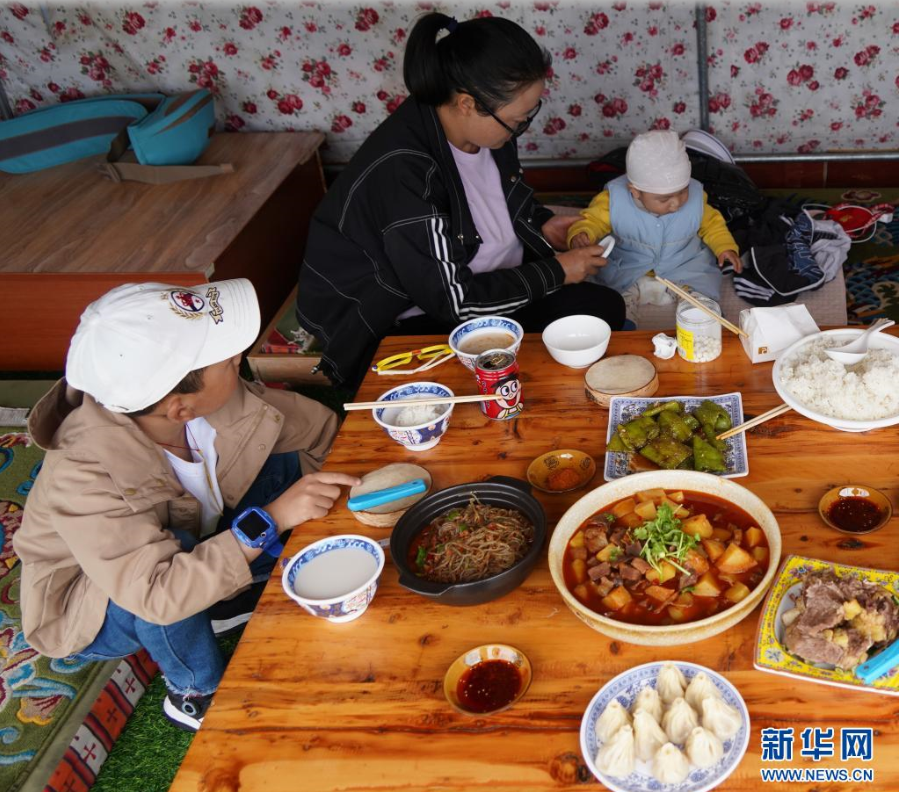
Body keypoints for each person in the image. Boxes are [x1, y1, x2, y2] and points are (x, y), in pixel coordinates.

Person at [13, 279, 358, 732]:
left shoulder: (202, 401)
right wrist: (275, 518)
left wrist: (345, 504)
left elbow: (316, 432)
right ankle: (193, 692)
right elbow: (155, 593)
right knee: (170, 573)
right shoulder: (83, 476)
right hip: (100, 602)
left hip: (192, 536)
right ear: (179, 408)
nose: (239, 357)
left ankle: (224, 597)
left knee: (281, 456)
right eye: (228, 360)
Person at [297, 12, 626, 387]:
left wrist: (541, 224)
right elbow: (453, 301)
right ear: (468, 103)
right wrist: (557, 272)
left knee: (600, 308)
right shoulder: (406, 172)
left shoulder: (488, 131)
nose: (521, 127)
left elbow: (496, 201)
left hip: (481, 284)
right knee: (468, 378)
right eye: (517, 120)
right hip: (410, 314)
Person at [567, 130, 742, 323]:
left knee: (702, 298)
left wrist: (725, 247)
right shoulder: (613, 200)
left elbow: (713, 225)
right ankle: (624, 328)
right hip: (629, 269)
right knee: (613, 303)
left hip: (683, 267)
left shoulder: (697, 198)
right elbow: (592, 220)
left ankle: (703, 322)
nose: (676, 203)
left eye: (683, 192)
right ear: (635, 192)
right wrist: (582, 233)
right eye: (664, 199)